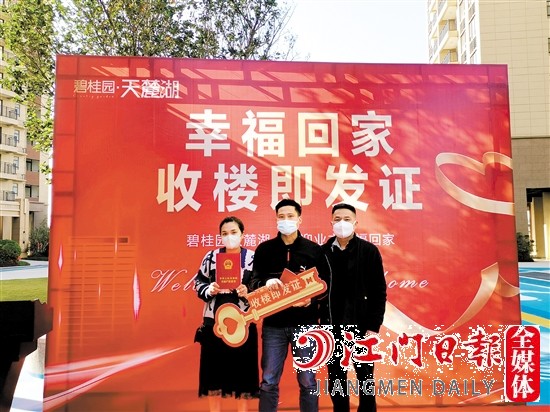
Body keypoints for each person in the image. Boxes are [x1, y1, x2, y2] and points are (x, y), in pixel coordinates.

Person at [248, 198, 331, 412]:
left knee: (308, 380)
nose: (286, 220)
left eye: (290, 216)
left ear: (299, 219)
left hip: (306, 324)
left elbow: (326, 286)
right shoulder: (264, 250)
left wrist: (311, 300)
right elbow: (253, 283)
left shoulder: (313, 250)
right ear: (276, 219)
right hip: (273, 325)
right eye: (281, 216)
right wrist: (266, 283)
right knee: (268, 380)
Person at [321, 203, 387, 412]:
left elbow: (379, 291)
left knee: (365, 376)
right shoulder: (322, 253)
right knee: (336, 377)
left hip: (362, 326)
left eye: (347, 219)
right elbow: (316, 291)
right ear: (331, 223)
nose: (342, 223)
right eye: (337, 219)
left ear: (356, 223)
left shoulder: (369, 251)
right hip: (332, 326)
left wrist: (373, 326)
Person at [194, 216, 259, 412]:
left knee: (243, 377)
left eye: (233, 232)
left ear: (242, 235)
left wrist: (248, 291)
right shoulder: (211, 257)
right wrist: (209, 289)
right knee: (213, 377)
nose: (229, 237)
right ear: (220, 236)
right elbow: (198, 282)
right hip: (214, 324)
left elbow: (261, 289)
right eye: (224, 233)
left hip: (243, 324)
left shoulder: (253, 258)